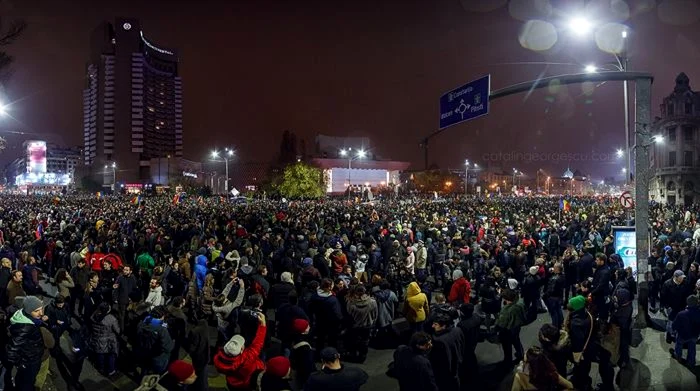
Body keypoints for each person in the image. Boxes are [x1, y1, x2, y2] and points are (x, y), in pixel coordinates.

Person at [567, 295, 614, 391]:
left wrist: (574, 355)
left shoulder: (576, 323)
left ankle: (585, 386)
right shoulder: (589, 315)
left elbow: (578, 342)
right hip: (590, 347)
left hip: (582, 352)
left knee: (582, 372)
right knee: (585, 369)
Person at [213, 312, 267, 390]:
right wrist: (262, 325)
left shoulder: (218, 360)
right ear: (241, 349)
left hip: (232, 384)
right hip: (247, 384)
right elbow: (257, 344)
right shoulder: (247, 359)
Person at [7, 296, 48, 391]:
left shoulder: (27, 318)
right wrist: (21, 364)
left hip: (31, 358)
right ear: (29, 311)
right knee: (26, 384)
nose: (41, 313)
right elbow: (11, 351)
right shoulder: (26, 327)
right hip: (30, 362)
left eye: (41, 309)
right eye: (37, 311)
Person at [303, 347, 369, 391]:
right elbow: (364, 378)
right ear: (339, 356)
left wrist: (322, 372)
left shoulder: (315, 378)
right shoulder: (355, 372)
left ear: (322, 361)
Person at [429, 314, 464, 391]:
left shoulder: (438, 340)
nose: (432, 326)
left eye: (436, 324)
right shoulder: (458, 330)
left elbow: (438, 359)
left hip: (446, 370)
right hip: (458, 361)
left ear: (444, 326)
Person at [344, 285, 378, 363]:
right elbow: (375, 314)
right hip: (367, 325)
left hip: (355, 325)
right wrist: (372, 322)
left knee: (355, 339)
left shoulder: (350, 302)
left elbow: (349, 314)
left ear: (355, 292)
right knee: (365, 340)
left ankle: (354, 354)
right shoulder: (372, 302)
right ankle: (363, 356)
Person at [137, 306, 174, 375]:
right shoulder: (162, 329)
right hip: (158, 357)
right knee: (156, 374)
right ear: (163, 316)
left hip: (144, 352)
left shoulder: (141, 323)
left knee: (144, 369)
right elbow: (168, 347)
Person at [309, 278, 343, 354]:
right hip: (331, 324)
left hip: (319, 321)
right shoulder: (332, 300)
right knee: (332, 341)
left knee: (320, 339)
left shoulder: (314, 296)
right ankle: (331, 356)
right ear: (330, 287)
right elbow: (337, 314)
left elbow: (310, 308)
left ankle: (319, 354)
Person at [87, 302, 120, 376]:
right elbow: (117, 330)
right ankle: (111, 370)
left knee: (100, 354)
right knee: (111, 354)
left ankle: (101, 368)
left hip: (97, 338)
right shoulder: (111, 319)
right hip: (109, 340)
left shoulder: (94, 315)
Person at [495, 289, 526, 367]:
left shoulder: (508, 310)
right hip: (516, 328)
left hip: (507, 330)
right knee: (517, 342)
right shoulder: (520, 304)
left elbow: (502, 323)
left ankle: (508, 362)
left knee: (507, 347)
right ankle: (521, 355)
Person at [662, 269, 692, 343]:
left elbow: (688, 294)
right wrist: (666, 306)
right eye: (681, 277)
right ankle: (669, 335)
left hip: (682, 307)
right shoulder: (667, 284)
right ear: (675, 277)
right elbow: (663, 296)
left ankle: (676, 335)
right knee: (670, 323)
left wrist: (687, 305)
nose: (682, 279)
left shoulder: (685, 283)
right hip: (671, 308)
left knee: (679, 322)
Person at [671, 295, 700, 367]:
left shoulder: (681, 314)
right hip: (694, 335)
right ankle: (691, 362)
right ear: (697, 303)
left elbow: (674, 325)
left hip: (682, 335)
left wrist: (674, 331)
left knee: (679, 345)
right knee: (692, 348)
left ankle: (678, 356)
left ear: (687, 303)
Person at [457, 303, 480, 390]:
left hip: (466, 344)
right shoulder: (476, 317)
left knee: (467, 359)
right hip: (474, 340)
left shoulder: (462, 324)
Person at [183, 317, 211, 391]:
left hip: (198, 358)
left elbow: (192, 348)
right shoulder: (205, 326)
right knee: (203, 375)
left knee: (201, 378)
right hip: (206, 356)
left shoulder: (194, 331)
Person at [114, 264, 139, 331]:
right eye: (124, 270)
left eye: (126, 270)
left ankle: (127, 328)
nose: (124, 271)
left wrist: (133, 298)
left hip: (130, 301)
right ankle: (121, 330)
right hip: (122, 300)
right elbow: (115, 288)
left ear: (130, 271)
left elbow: (134, 289)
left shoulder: (133, 278)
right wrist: (115, 298)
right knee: (121, 316)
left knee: (128, 315)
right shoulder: (120, 278)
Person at [544, 262, 565, 329]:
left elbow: (551, 290)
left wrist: (545, 295)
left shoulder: (554, 279)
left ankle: (555, 327)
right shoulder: (563, 276)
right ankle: (561, 324)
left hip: (552, 297)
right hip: (559, 296)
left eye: (554, 267)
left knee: (553, 313)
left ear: (557, 268)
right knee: (559, 310)